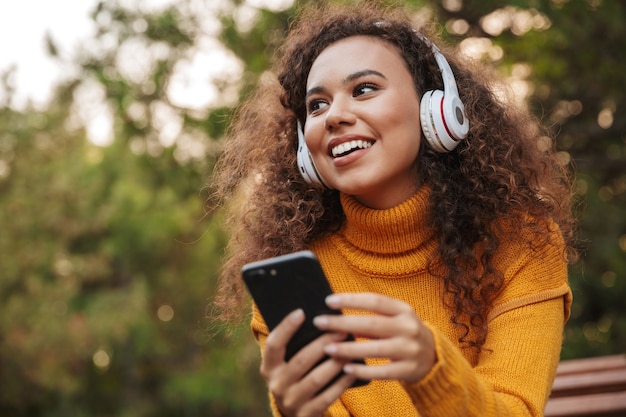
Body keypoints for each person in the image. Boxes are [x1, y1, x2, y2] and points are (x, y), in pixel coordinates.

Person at [211, 1, 576, 416]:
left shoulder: (523, 242)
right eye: (317, 105)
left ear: (435, 110)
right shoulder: (290, 273)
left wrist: (432, 371)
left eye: (364, 89)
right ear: (304, 149)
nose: (335, 116)